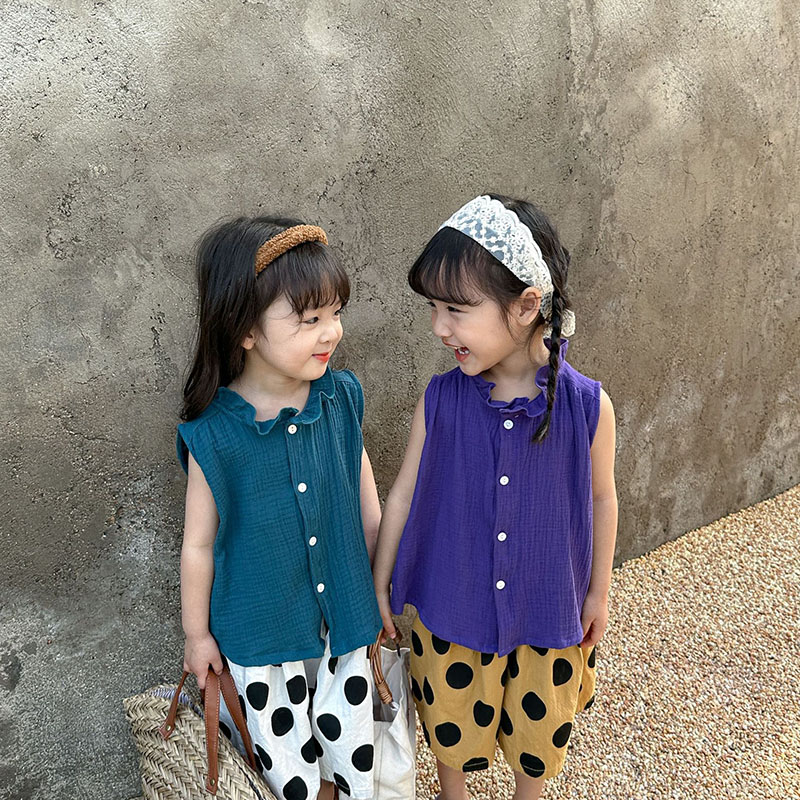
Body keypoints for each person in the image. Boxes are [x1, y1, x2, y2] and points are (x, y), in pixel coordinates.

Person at [372, 194, 618, 800]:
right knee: (451, 717)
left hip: (548, 609)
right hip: (453, 605)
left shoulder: (588, 407)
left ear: (527, 305)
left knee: (539, 728)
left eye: (456, 309)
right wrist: (380, 583)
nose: (439, 327)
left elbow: (603, 500)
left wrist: (597, 592)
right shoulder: (441, 399)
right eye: (433, 308)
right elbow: (402, 494)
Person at [177, 216, 383, 800]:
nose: (331, 332)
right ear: (245, 328)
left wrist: (379, 587)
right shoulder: (215, 434)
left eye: (335, 312)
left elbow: (365, 500)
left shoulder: (341, 399)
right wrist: (196, 635)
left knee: (350, 760)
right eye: (309, 319)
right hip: (262, 642)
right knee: (287, 772)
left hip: (344, 626)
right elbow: (197, 545)